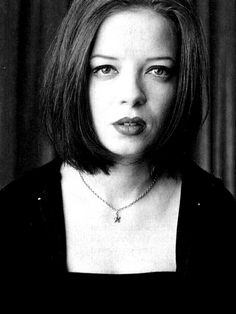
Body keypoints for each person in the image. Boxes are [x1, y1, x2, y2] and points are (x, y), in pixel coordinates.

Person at [1, 0, 235, 307]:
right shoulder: (14, 213)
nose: (132, 94)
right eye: (105, 69)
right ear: (74, 77)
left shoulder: (216, 213)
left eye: (158, 70)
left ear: (181, 84)